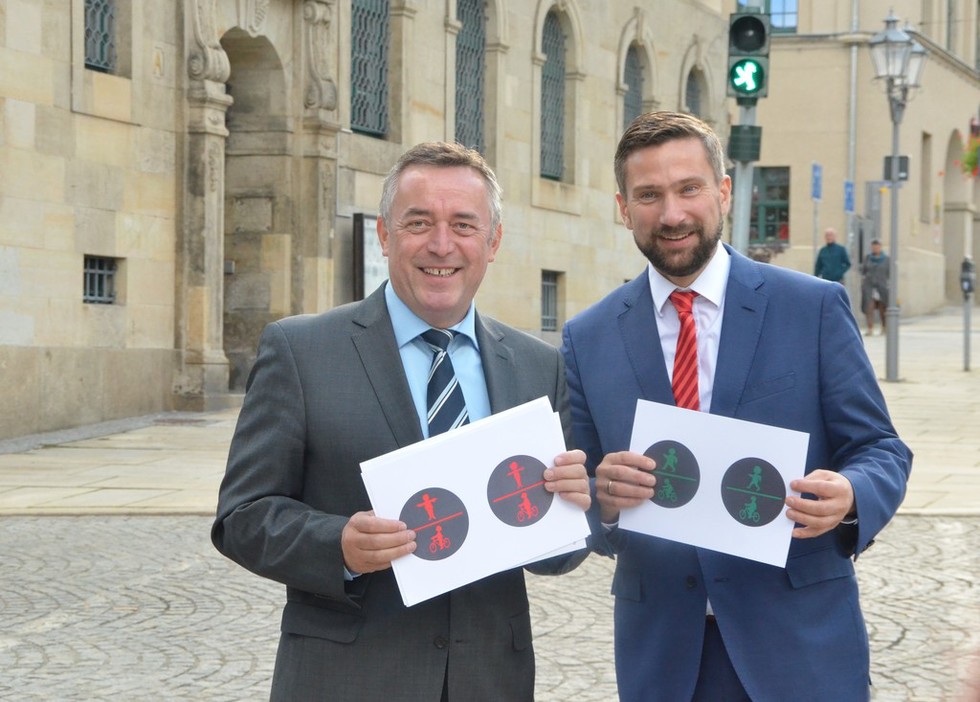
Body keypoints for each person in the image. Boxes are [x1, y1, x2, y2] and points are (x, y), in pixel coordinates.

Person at [212, 141, 591, 701]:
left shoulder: (538, 366)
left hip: (488, 681)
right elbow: (241, 516)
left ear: (493, 242)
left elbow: (555, 553)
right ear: (386, 236)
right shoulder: (302, 351)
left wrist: (570, 507)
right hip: (346, 679)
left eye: (464, 224)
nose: (442, 244)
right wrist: (336, 544)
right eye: (419, 222)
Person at [561, 112, 912, 702]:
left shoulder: (813, 308)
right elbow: (583, 500)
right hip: (666, 660)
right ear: (624, 207)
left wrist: (851, 496)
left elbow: (881, 449)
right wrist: (605, 501)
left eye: (689, 188)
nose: (672, 214)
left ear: (723, 191)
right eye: (649, 195)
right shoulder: (587, 336)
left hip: (800, 647)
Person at [861, 238, 889, 335]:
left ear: (880, 247)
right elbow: (863, 270)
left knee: (883, 308)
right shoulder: (868, 258)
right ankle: (870, 328)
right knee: (869, 307)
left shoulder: (886, 259)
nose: (875, 249)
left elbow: (890, 273)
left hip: (882, 286)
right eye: (873, 247)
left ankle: (884, 327)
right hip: (869, 286)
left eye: (877, 247)